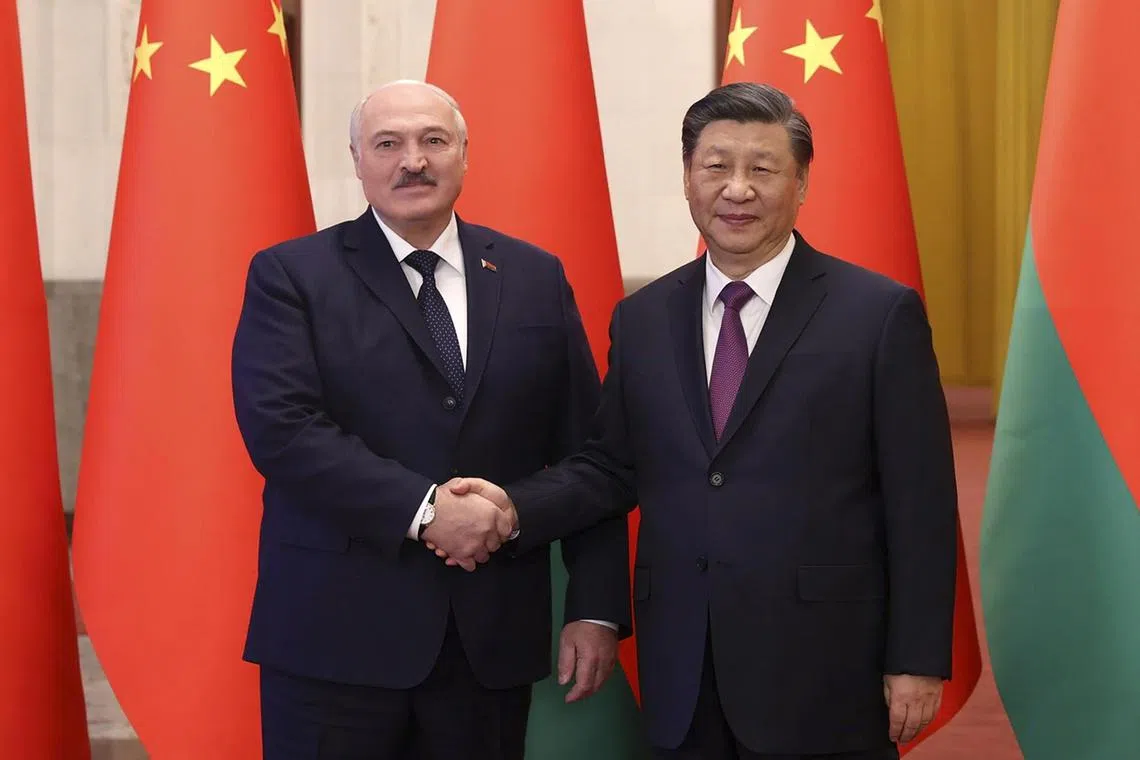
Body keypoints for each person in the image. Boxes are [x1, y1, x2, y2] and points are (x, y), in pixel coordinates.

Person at [447, 82, 959, 759]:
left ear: (802, 182)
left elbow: (920, 501)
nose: (737, 189)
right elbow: (610, 467)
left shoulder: (877, 314)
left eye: (763, 168)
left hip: (823, 665)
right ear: (688, 179)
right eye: (716, 167)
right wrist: (512, 508)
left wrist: (917, 657)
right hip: (683, 662)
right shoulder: (645, 318)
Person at [230, 79, 630, 760]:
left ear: (465, 156)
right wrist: (425, 510)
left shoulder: (534, 276)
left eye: (432, 140)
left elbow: (593, 458)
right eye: (388, 143)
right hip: (335, 641)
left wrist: (591, 606)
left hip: (488, 643)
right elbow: (284, 430)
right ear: (357, 160)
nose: (412, 160)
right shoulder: (291, 276)